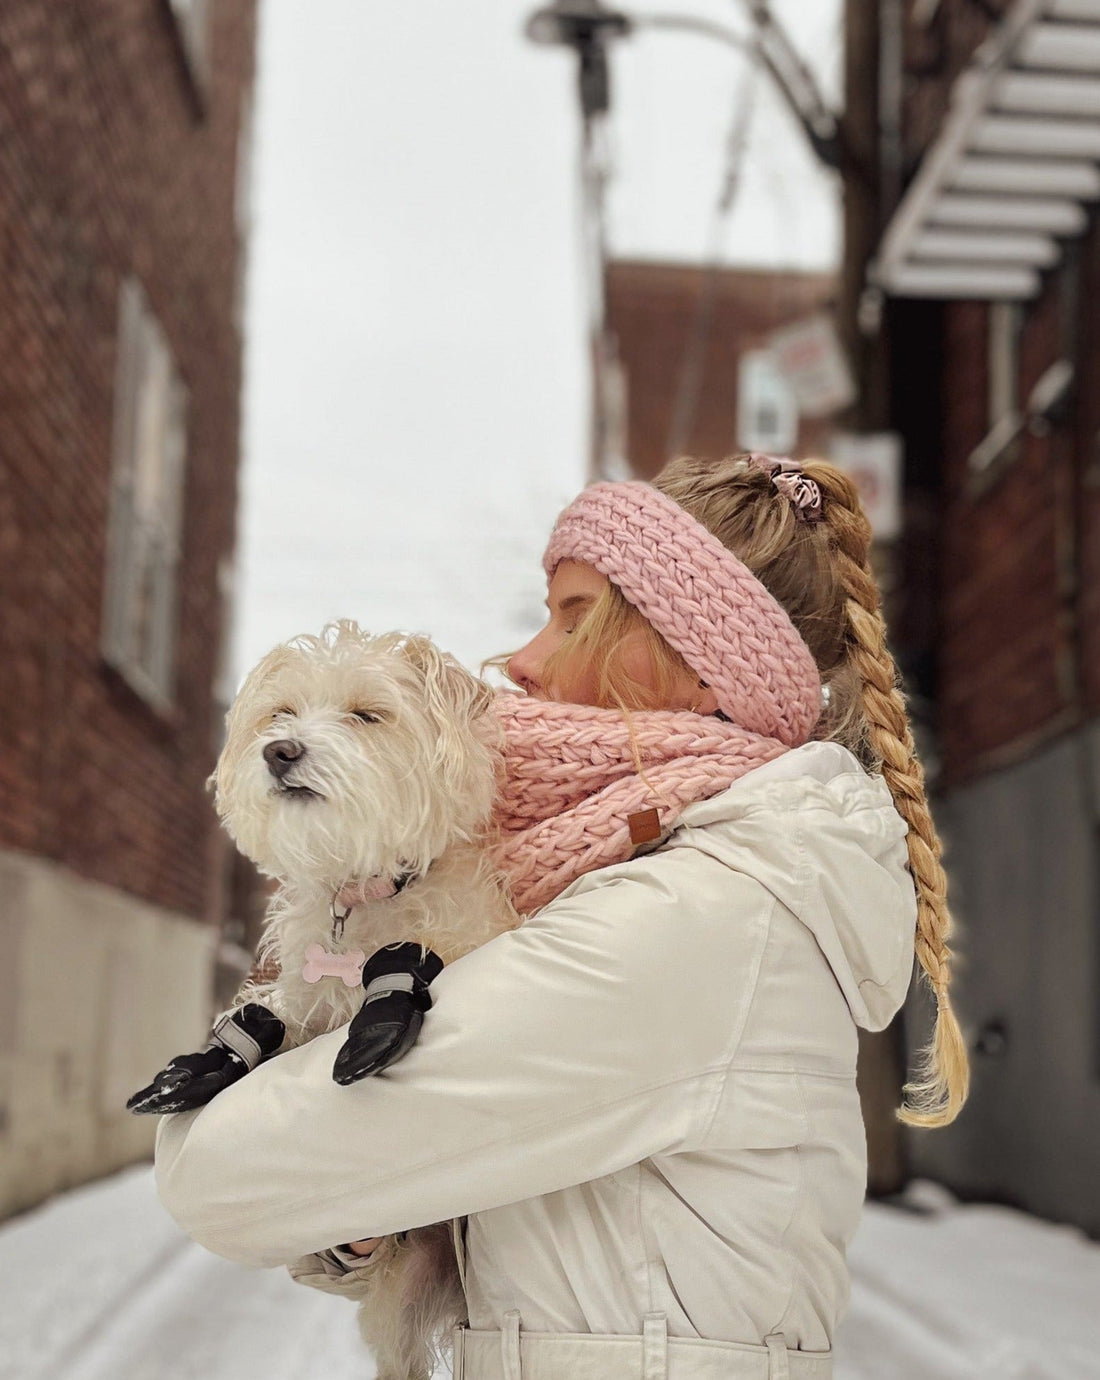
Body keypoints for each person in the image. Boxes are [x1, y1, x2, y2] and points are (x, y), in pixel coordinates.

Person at [155, 453, 969, 1380]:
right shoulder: (616, 873)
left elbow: (223, 1179)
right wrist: (374, 1235)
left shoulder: (697, 915)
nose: (523, 662)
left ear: (707, 674)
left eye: (577, 618)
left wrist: (232, 1106)